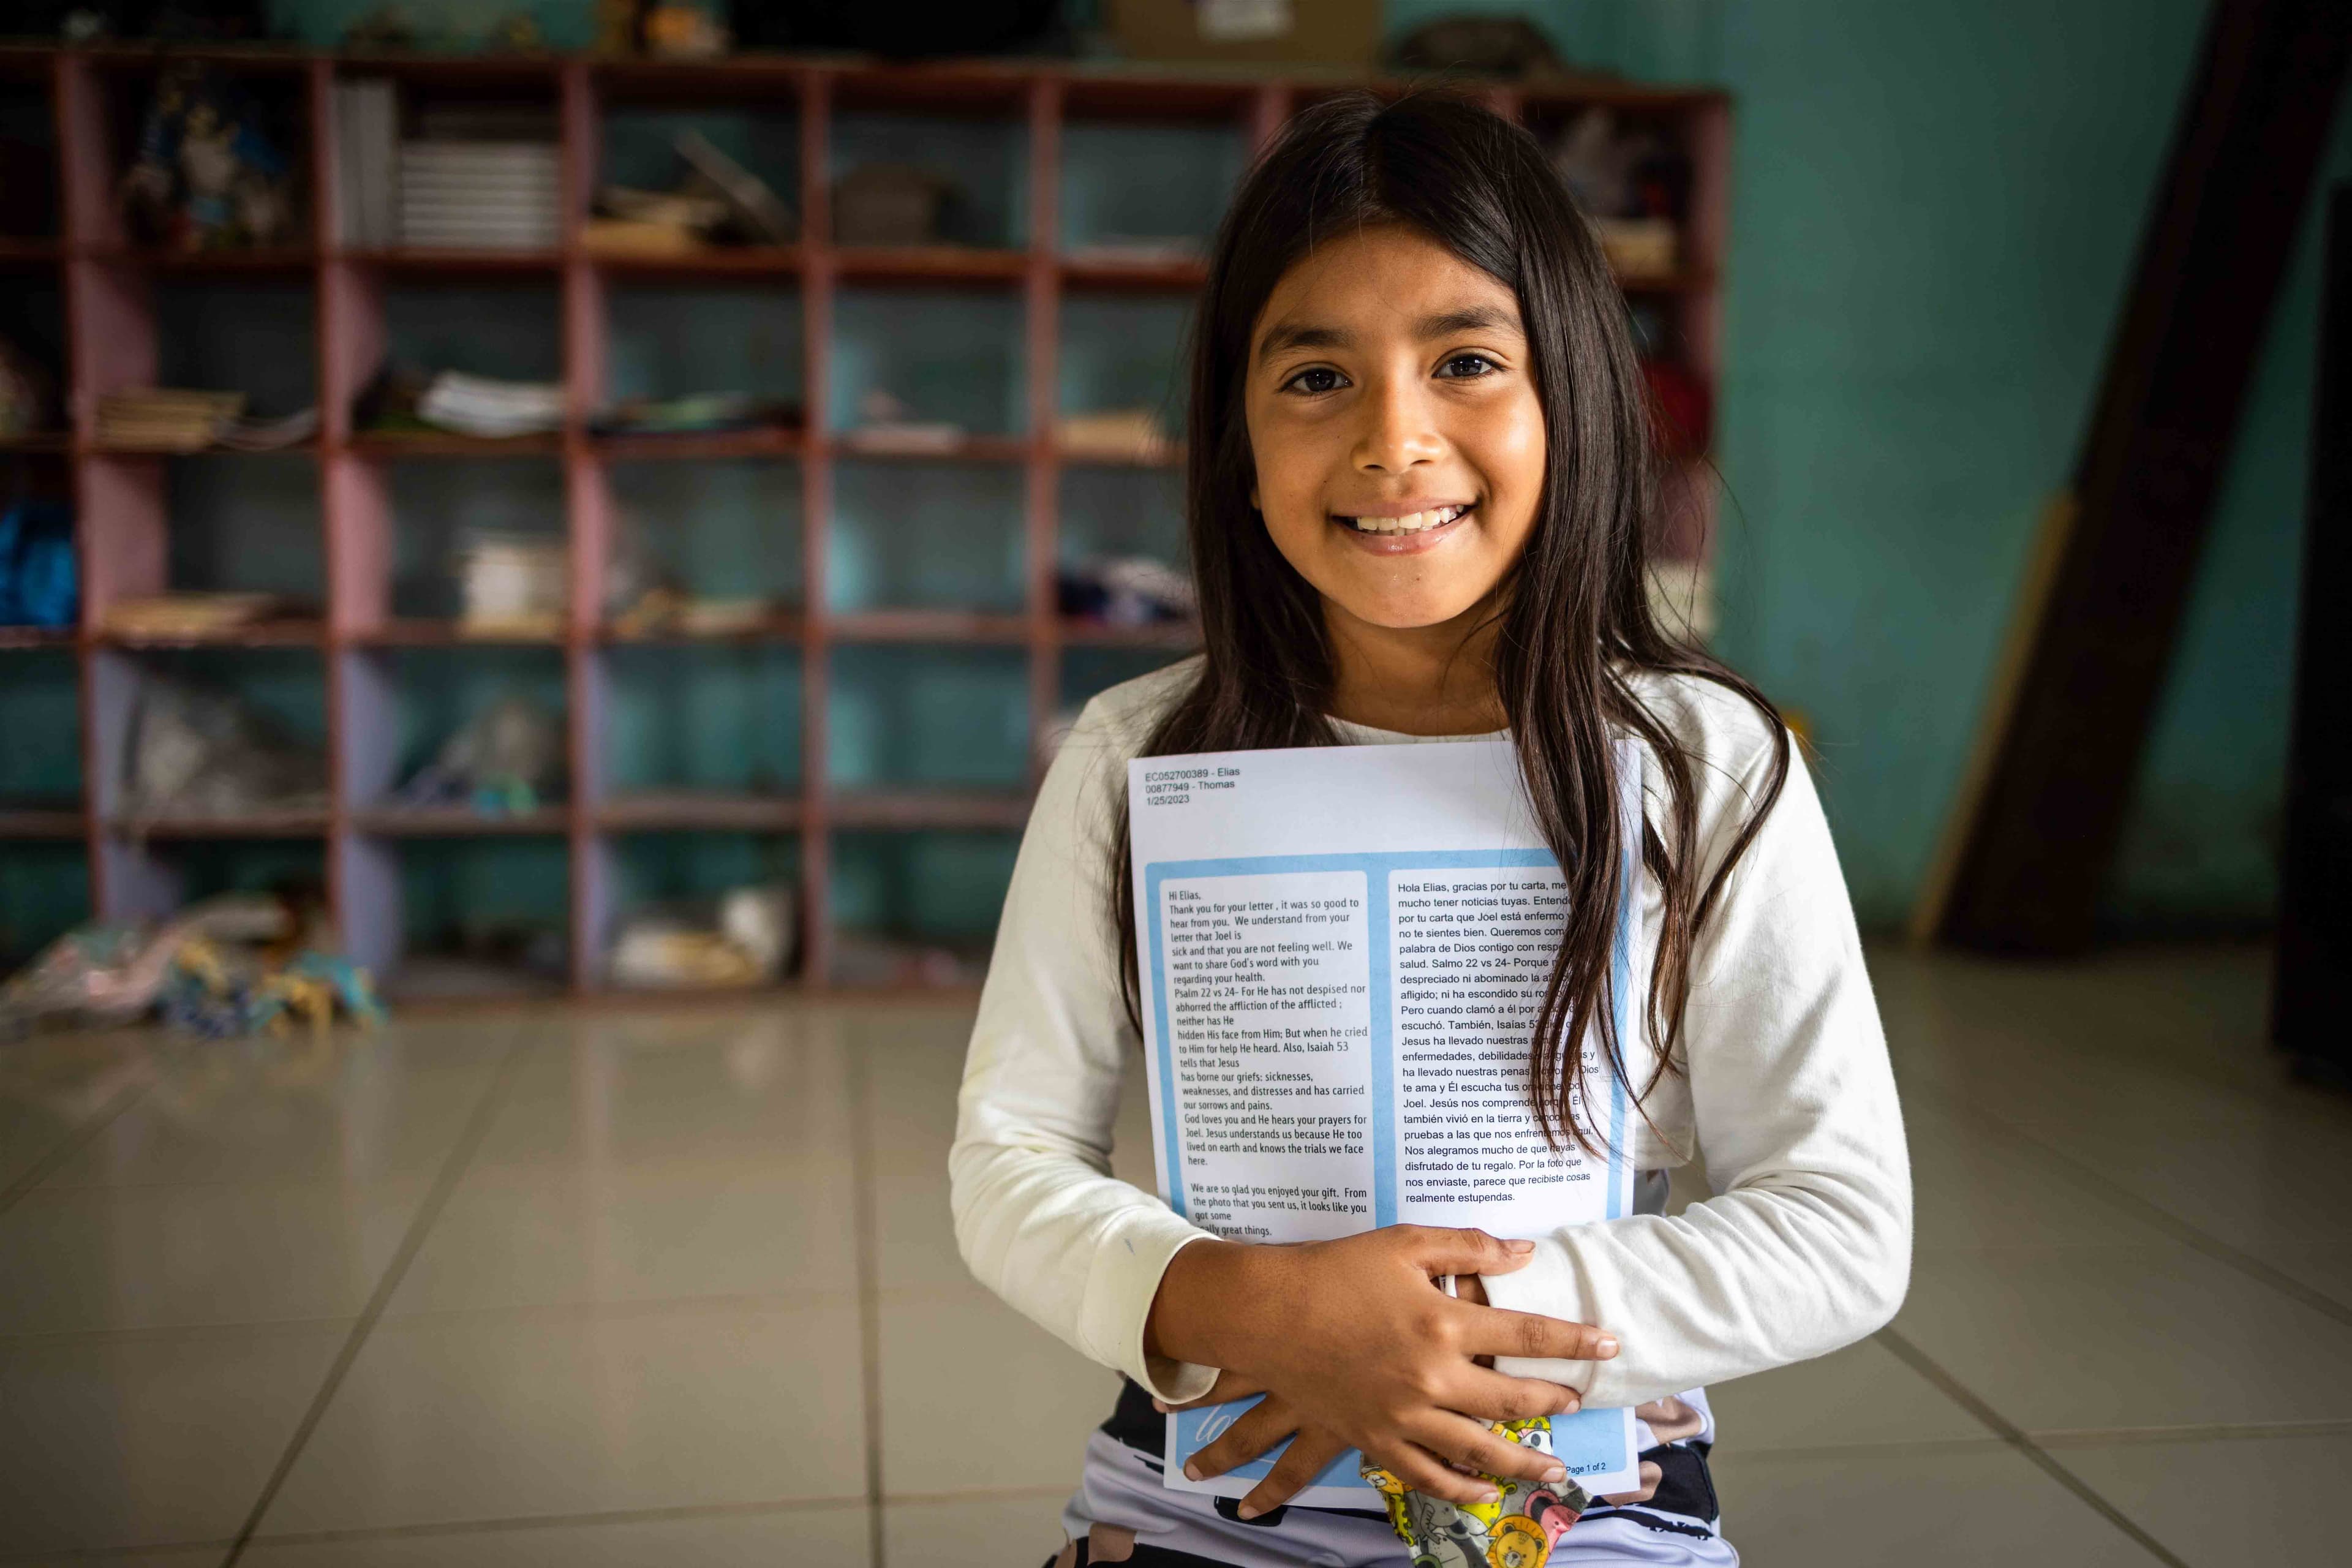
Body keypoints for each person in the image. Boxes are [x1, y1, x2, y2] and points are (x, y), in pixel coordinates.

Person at [951, 91, 1910, 1567]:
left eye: (1466, 361)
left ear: (1570, 398)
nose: (1397, 442)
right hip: (1211, 1490)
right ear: (1235, 434)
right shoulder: (1139, 754)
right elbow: (1009, 1161)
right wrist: (1255, 1308)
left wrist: (1430, 1333)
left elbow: (1842, 1221)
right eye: (1317, 375)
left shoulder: (1705, 761)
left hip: (1590, 1501)